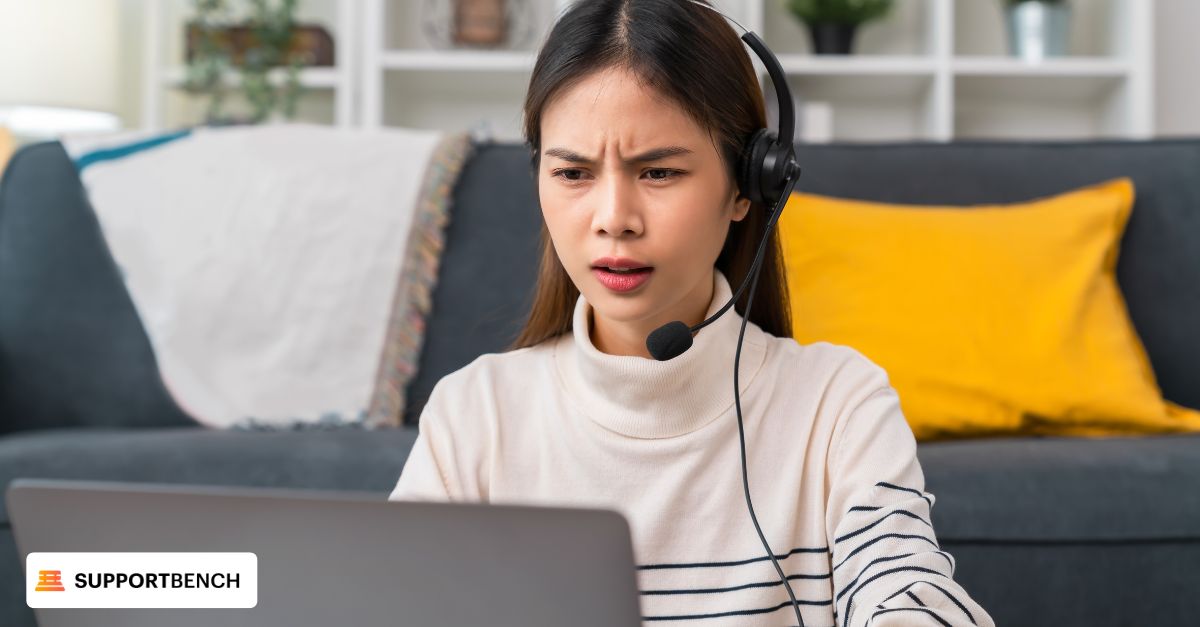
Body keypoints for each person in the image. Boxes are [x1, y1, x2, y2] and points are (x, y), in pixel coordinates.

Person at [390, 1, 995, 625]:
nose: (613, 218)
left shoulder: (839, 404)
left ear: (746, 186)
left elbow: (907, 589)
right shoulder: (474, 414)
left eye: (658, 171)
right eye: (573, 172)